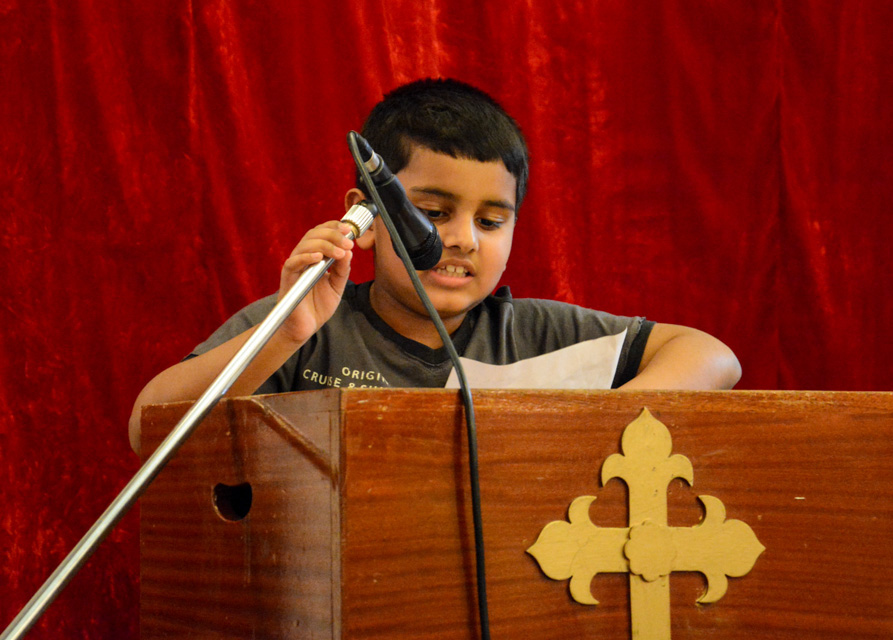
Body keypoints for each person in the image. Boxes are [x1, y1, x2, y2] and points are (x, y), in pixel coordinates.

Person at [128, 78, 741, 454]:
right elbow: (147, 429)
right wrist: (284, 334)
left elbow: (713, 356)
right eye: (432, 213)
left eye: (491, 221)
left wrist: (603, 420)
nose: (461, 239)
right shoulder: (305, 324)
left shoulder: (534, 333)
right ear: (368, 216)